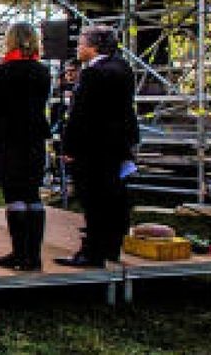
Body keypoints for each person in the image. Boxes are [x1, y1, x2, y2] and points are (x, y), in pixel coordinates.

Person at [57, 25, 138, 268]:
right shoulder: (122, 67)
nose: (78, 48)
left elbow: (82, 114)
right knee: (112, 197)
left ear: (93, 46)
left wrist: (69, 147)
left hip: (93, 147)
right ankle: (110, 246)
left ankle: (92, 252)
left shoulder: (94, 73)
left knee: (93, 199)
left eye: (81, 43)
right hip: (116, 143)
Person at [0, 23, 52, 271]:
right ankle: (33, 256)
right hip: (34, 136)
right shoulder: (42, 71)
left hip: (8, 137)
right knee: (32, 194)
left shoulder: (3, 71)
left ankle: (19, 252)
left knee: (14, 195)